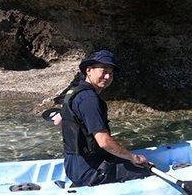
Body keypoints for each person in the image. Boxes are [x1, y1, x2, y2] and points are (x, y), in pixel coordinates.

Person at [52, 50, 150, 187]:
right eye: (103, 71)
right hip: (90, 172)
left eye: (111, 73)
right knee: (145, 170)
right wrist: (132, 157)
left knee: (120, 158)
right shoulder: (89, 99)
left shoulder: (73, 92)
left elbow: (58, 121)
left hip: (72, 167)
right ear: (89, 70)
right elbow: (104, 142)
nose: (107, 76)